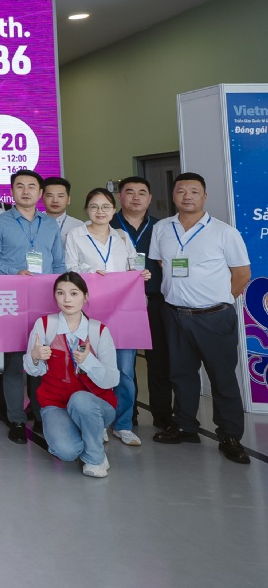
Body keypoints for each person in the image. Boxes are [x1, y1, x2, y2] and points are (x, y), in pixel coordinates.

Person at [149, 173, 251, 465]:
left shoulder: (225, 232)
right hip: (174, 314)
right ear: (173, 196)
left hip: (215, 317)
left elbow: (242, 274)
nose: (187, 196)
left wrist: (217, 301)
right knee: (181, 375)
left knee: (222, 378)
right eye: (181, 191)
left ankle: (230, 435)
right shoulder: (162, 228)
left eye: (194, 191)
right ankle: (185, 426)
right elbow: (162, 264)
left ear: (205, 196)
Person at [0, 169, 65, 444]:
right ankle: (16, 419)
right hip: (13, 301)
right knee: (14, 362)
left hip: (44, 300)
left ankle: (42, 416)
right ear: (12, 191)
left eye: (32, 186)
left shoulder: (51, 224)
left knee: (42, 359)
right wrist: (16, 272)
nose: (26, 191)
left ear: (40, 193)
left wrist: (60, 294)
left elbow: (59, 262)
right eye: (20, 186)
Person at [64, 187, 150, 446]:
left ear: (114, 210)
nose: (100, 211)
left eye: (105, 207)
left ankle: (123, 425)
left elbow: (133, 264)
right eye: (94, 206)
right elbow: (69, 268)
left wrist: (141, 273)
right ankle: (97, 422)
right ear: (86, 210)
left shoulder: (121, 236)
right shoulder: (75, 235)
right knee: (89, 368)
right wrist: (91, 272)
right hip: (90, 313)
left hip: (123, 314)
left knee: (124, 372)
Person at [24, 272, 121, 478]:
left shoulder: (99, 331)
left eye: (74, 293)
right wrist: (34, 356)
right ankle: (87, 432)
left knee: (80, 400)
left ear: (85, 296)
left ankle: (96, 457)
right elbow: (33, 371)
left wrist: (88, 361)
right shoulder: (45, 325)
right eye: (61, 293)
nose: (67, 299)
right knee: (66, 452)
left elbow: (112, 380)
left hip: (96, 404)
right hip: (56, 403)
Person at [112, 176, 173, 430]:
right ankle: (127, 414)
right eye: (129, 192)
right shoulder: (107, 224)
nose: (136, 197)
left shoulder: (163, 227)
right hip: (119, 304)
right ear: (120, 196)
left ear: (150, 198)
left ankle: (163, 414)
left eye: (142, 192)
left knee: (159, 361)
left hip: (155, 301)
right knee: (123, 364)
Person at [43, 177, 85, 243]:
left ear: (68, 199)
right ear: (42, 198)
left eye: (60, 196)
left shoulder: (78, 226)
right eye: (50, 196)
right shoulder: (33, 223)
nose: (55, 200)